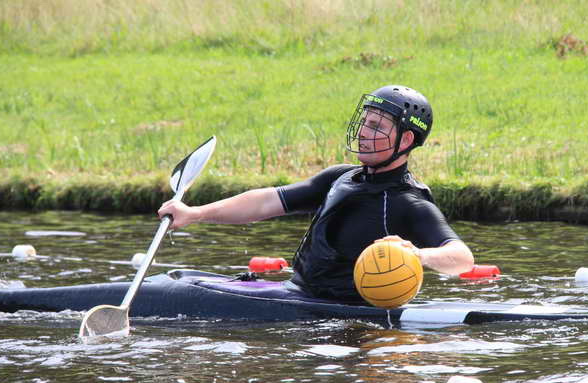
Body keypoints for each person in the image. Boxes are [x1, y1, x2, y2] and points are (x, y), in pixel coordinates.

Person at [158, 85, 474, 303]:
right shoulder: (340, 177)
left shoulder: (409, 202)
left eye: (376, 126)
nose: (364, 132)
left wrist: (417, 255)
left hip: (330, 308)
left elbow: (462, 258)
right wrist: (195, 213)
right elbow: (266, 201)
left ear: (405, 141)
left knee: (179, 293)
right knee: (182, 280)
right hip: (295, 291)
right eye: (365, 122)